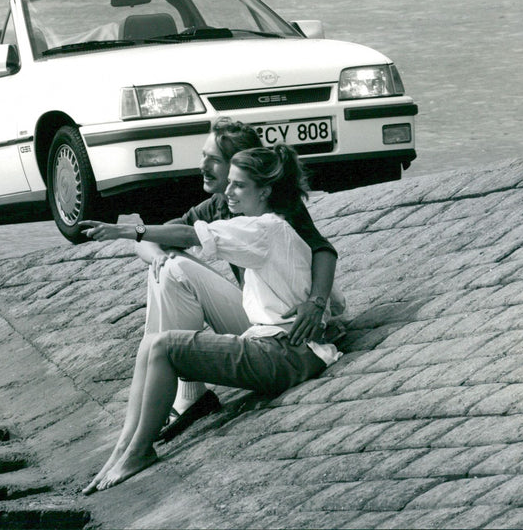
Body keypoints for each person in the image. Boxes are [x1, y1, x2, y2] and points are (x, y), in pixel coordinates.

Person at [79, 145, 343, 494]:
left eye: (238, 186)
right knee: (151, 343)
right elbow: (190, 232)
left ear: (264, 191)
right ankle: (125, 447)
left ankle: (139, 450)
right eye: (229, 183)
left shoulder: (265, 228)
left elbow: (191, 236)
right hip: (274, 346)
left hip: (287, 353)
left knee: (163, 346)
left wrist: (125, 231)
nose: (228, 192)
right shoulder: (260, 225)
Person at [131, 118, 343, 442]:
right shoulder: (217, 205)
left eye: (213, 159)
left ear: (240, 164)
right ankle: (187, 395)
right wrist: (157, 255)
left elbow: (324, 250)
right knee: (169, 266)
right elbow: (148, 239)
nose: (202, 166)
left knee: (174, 268)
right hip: (256, 317)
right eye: (204, 156)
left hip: (288, 323)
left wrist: (315, 304)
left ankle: (173, 393)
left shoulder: (277, 206)